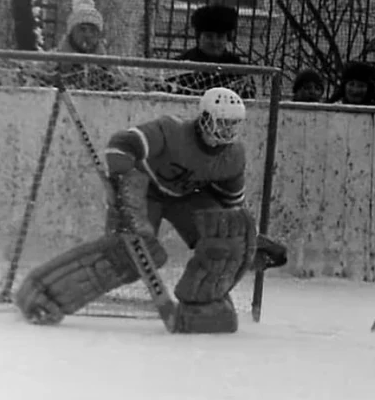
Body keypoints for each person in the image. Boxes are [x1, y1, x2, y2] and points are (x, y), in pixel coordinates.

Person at [14, 87, 288, 333]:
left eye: (233, 124)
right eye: (222, 122)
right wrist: (125, 190)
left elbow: (231, 208)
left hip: (185, 198)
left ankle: (202, 307)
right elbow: (120, 145)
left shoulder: (233, 156)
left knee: (228, 236)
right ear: (205, 118)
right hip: (144, 192)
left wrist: (248, 244)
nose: (227, 131)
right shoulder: (171, 131)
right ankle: (44, 291)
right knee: (129, 252)